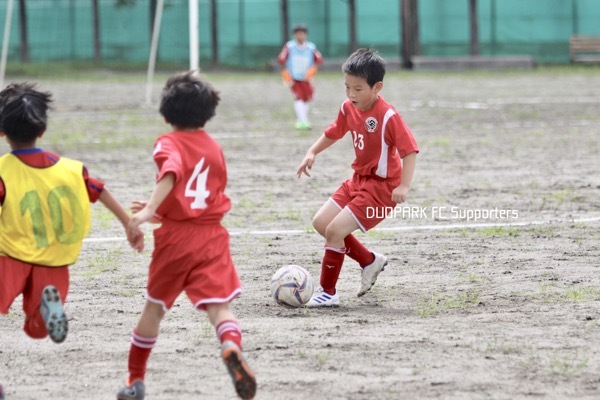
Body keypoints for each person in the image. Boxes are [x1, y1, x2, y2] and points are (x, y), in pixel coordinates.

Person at [116, 71, 257, 400]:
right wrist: (163, 209)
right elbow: (203, 194)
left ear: (166, 114)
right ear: (208, 113)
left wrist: (151, 209)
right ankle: (231, 347)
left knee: (154, 310)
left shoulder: (168, 143)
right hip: (212, 236)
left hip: (177, 240)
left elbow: (173, 170)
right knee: (220, 308)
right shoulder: (214, 148)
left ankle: (135, 381)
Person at [0, 83, 143, 346]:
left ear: (2, 132)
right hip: (53, 260)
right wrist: (128, 223)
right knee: (37, 330)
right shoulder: (71, 170)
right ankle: (45, 309)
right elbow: (100, 191)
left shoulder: (3, 170)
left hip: (9, 257)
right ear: (42, 131)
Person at [296, 48, 419, 307]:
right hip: (358, 181)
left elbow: (410, 150)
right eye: (347, 87)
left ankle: (327, 292)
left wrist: (404, 186)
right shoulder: (348, 107)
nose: (351, 94)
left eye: (358, 89)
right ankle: (368, 261)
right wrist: (312, 151)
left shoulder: (388, 116)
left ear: (377, 87)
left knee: (334, 231)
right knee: (321, 223)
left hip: (382, 188)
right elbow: (334, 132)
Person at [277, 23, 323, 130]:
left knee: (306, 98)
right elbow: (281, 59)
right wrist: (285, 72)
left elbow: (319, 59)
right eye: (297, 34)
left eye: (302, 34)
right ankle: (303, 121)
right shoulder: (290, 47)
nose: (300, 36)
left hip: (306, 78)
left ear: (305, 35)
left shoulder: (311, 47)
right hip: (294, 78)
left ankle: (301, 120)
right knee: (298, 98)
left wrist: (313, 70)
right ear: (294, 35)